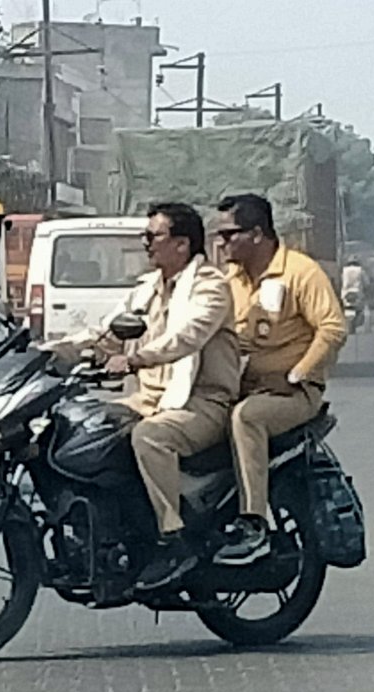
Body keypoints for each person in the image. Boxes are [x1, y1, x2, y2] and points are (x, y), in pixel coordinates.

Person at [46, 203, 242, 589]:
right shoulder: (148, 289)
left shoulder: (210, 286)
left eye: (153, 236)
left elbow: (185, 337)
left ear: (182, 244)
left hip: (200, 404)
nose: (145, 243)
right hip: (148, 400)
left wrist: (134, 359)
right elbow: (105, 335)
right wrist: (48, 351)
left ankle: (174, 539)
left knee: (150, 437)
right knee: (84, 428)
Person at [215, 194, 347, 564]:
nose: (221, 243)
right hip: (242, 385)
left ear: (257, 234)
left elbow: (333, 329)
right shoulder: (230, 280)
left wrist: (295, 375)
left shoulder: (300, 272)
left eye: (228, 234)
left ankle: (253, 522)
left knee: (247, 418)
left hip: (295, 393)